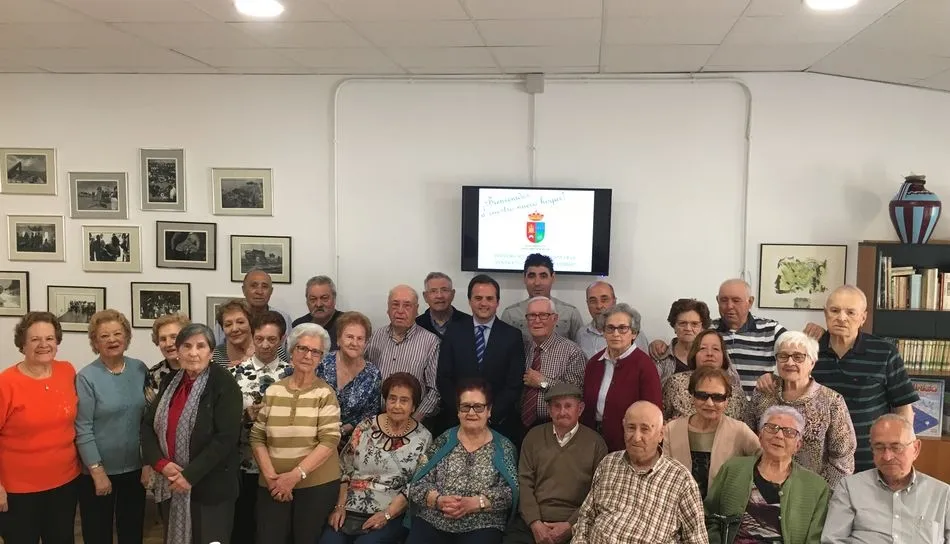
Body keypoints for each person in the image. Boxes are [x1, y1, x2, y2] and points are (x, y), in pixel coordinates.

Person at [758, 285, 919, 473]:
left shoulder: (884, 352)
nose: (842, 318)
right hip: (818, 464)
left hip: (871, 458)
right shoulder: (809, 351)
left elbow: (903, 406)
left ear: (863, 317)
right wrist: (768, 379)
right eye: (835, 311)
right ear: (825, 313)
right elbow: (788, 382)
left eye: (850, 312)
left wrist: (901, 449)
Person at [141, 323, 243, 544]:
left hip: (210, 489)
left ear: (211, 351)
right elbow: (147, 426)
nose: (193, 353)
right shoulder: (171, 381)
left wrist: (189, 475)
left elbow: (225, 439)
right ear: (178, 351)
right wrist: (160, 463)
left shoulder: (225, 384)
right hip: (171, 482)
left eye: (200, 346)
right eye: (186, 346)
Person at [250, 323, 342, 544]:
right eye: (302, 348)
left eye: (315, 351)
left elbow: (330, 439)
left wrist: (293, 477)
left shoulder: (325, 393)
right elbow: (257, 436)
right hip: (272, 485)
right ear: (292, 351)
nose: (308, 355)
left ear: (321, 357)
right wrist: (272, 478)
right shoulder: (273, 390)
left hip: (315, 486)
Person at [651, 279, 824, 393]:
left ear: (750, 302)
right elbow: (684, 343)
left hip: (759, 409)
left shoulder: (771, 329)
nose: (729, 306)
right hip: (717, 407)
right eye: (724, 300)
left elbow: (796, 355)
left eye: (736, 300)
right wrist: (659, 344)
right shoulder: (708, 331)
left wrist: (775, 377)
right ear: (717, 301)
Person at [572, 401, 708, 544]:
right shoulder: (608, 463)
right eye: (631, 428)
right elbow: (586, 518)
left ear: (661, 434)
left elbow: (697, 540)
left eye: (645, 429)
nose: (636, 437)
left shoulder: (681, 480)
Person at [321, 373, 433, 544]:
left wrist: (387, 515)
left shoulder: (423, 437)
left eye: (404, 400)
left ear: (413, 406)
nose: (396, 405)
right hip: (349, 508)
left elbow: (416, 485)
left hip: (391, 513)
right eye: (392, 399)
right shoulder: (366, 425)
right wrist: (339, 507)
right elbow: (344, 468)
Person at [0, 312, 80, 544]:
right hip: (18, 490)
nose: (44, 345)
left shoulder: (67, 371)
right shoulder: (6, 383)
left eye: (50, 338)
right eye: (35, 339)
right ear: (22, 344)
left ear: (57, 341)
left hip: (65, 483)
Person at [407, 379, 519, 544]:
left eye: (478, 407)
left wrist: (476, 503)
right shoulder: (443, 441)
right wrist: (438, 501)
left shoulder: (504, 447)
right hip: (434, 520)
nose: (471, 413)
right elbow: (417, 484)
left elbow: (510, 493)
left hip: (483, 524)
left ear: (489, 410)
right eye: (465, 406)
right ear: (458, 411)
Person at [75, 309, 150, 544]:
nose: (112, 340)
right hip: (98, 471)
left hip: (135, 469)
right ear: (95, 343)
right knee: (97, 533)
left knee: (132, 531)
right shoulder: (86, 377)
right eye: (104, 336)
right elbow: (83, 427)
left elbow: (148, 420)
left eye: (117, 334)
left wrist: (147, 462)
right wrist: (97, 472)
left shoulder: (140, 369)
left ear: (126, 338)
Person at [704, 406, 830, 544]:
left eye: (789, 432)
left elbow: (816, 539)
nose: (779, 435)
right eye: (772, 428)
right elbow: (709, 515)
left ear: (798, 445)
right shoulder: (733, 469)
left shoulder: (816, 487)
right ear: (760, 436)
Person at [746, 331, 856, 489]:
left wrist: (821, 492)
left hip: (811, 491)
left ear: (812, 362)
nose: (789, 362)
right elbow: (748, 437)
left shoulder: (832, 401)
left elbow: (843, 458)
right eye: (783, 356)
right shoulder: (764, 393)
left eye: (798, 357)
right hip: (761, 485)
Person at [503, 383, 607, 544]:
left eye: (568, 406)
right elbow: (524, 483)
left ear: (580, 409)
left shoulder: (596, 443)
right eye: (556, 406)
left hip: (575, 522)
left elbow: (597, 492)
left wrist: (570, 525)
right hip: (533, 521)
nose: (562, 412)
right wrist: (535, 522)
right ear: (549, 410)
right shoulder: (533, 437)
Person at [821, 414, 950, 543]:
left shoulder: (943, 495)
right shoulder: (850, 488)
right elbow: (832, 540)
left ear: (915, 449)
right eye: (879, 447)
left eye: (896, 447)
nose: (887, 457)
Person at [436, 274, 525, 444]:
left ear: (497, 302)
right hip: (458, 422)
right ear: (469, 301)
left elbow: (514, 384)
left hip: (499, 424)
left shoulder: (512, 336)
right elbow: (443, 378)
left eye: (489, 298)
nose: (483, 303)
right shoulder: (454, 332)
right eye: (478, 298)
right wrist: (464, 412)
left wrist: (489, 415)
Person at [229, 310, 292, 544]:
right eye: (259, 339)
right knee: (243, 526)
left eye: (272, 339)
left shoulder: (292, 373)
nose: (265, 345)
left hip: (281, 467)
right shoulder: (234, 374)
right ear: (252, 337)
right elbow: (222, 422)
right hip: (244, 464)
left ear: (283, 339)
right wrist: (245, 415)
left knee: (274, 531)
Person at [663, 367, 760, 499]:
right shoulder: (672, 430)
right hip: (678, 511)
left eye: (717, 397)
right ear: (692, 396)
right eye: (702, 396)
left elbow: (765, 461)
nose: (709, 403)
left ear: (727, 401)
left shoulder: (740, 431)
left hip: (724, 514)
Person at [580, 303, 662, 452]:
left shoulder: (645, 366)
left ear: (634, 333)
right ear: (603, 332)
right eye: (610, 328)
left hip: (628, 443)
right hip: (591, 441)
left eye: (623, 328)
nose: (616, 334)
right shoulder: (594, 363)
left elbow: (652, 412)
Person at [365, 284, 442, 421]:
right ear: (388, 309)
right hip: (376, 419)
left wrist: (413, 422)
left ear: (416, 310)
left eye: (407, 305)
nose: (400, 311)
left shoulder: (431, 342)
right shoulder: (374, 337)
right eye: (395, 305)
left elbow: (434, 390)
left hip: (415, 422)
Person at [311, 311, 383, 447]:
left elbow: (370, 414)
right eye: (349, 337)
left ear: (366, 343)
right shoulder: (321, 363)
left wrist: (342, 431)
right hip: (313, 436)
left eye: (360, 338)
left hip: (351, 442)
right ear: (338, 339)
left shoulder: (373, 374)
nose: (354, 343)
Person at [518, 296, 587, 432]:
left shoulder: (572, 352)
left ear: (554, 319)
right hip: (519, 425)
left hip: (556, 426)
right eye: (532, 315)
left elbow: (575, 392)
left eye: (543, 315)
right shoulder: (521, 348)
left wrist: (543, 382)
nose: (537, 320)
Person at [662, 329, 746, 422]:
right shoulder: (675, 383)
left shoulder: (737, 392)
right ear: (694, 354)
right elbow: (661, 418)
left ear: (723, 356)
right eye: (703, 348)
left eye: (716, 349)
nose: (709, 354)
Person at [500, 253, 585, 341]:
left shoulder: (570, 313)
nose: (537, 283)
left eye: (543, 276)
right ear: (524, 278)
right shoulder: (510, 314)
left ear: (553, 278)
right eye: (531, 276)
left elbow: (580, 350)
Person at [214, 268, 293, 347]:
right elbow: (216, 349)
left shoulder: (284, 318)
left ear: (271, 291)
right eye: (253, 286)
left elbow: (289, 353)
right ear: (243, 290)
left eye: (265, 286)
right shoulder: (229, 318)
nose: (259, 292)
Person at [575, 280, 650, 358]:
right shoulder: (581, 334)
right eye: (593, 301)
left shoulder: (632, 333)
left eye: (604, 300)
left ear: (614, 301)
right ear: (587, 304)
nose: (599, 306)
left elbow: (644, 365)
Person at [653, 298, 712, 382]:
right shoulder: (660, 358)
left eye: (694, 324)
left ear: (702, 328)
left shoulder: (714, 355)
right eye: (682, 323)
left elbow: (734, 386)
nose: (688, 328)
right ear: (674, 326)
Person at [146, 313, 189, 404]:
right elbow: (151, 414)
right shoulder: (153, 375)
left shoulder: (201, 369)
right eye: (163, 339)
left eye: (174, 337)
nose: (168, 344)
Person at [293, 275, 345, 351]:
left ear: (334, 299)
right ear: (307, 301)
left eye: (324, 298)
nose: (318, 304)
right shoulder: (299, 326)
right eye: (313, 299)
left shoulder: (347, 324)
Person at [416, 272, 471, 339]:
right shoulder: (416, 325)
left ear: (452, 294)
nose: (439, 296)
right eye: (433, 291)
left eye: (444, 290)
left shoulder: (469, 323)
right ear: (425, 297)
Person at [212, 298, 256, 367]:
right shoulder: (216, 355)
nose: (234, 329)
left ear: (250, 323)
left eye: (240, 322)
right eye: (228, 325)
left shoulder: (272, 347)